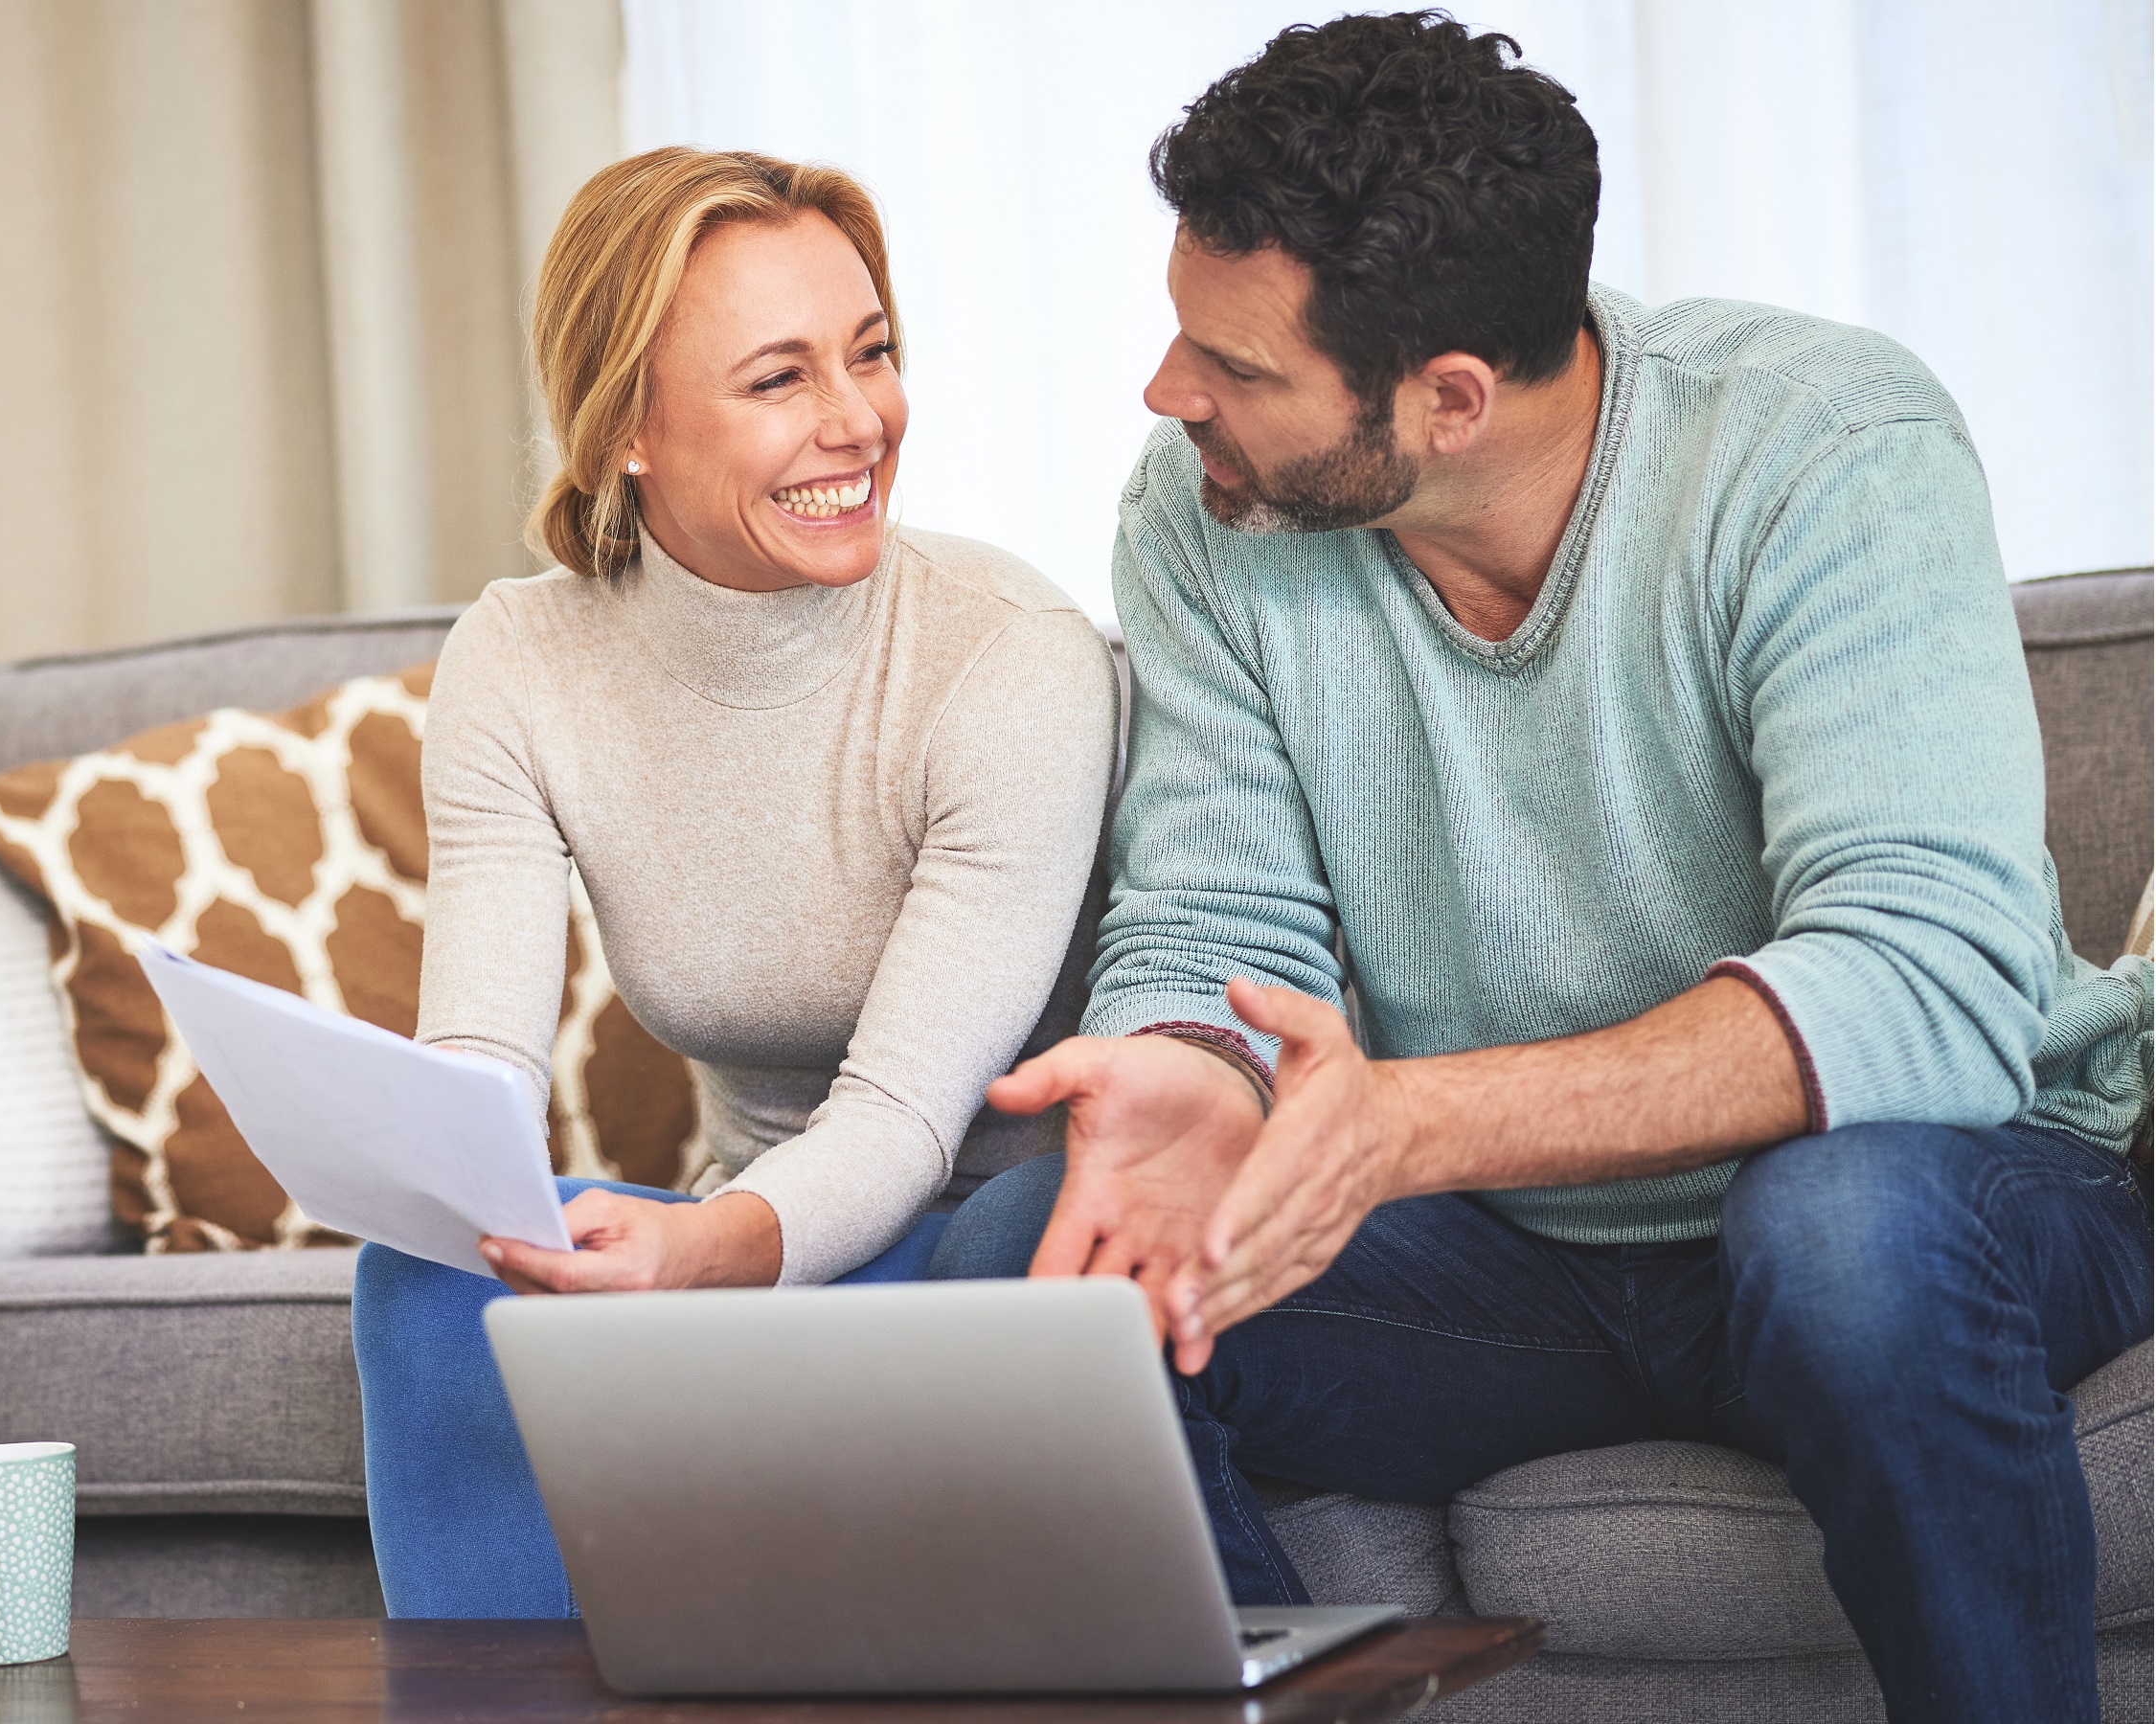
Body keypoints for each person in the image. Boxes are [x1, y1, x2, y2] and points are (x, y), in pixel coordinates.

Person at [925, 15, 2151, 1722]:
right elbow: (1213, 915)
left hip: (1952, 1193)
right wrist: (1194, 1070)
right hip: (1519, 1268)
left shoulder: (1821, 448)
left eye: (1238, 366)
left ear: (1448, 398)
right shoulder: (1205, 508)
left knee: (1839, 1223)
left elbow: (1925, 990)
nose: (1167, 391)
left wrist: (1417, 1124)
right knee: (1023, 1269)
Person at [352, 147, 1119, 1619]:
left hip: (985, 1240)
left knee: (923, 1288)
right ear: (629, 424)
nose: (859, 422)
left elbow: (902, 1122)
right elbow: (482, 1061)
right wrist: (454, 1181)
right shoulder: (521, 660)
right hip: (738, 1218)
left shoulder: (1007, 653)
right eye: (780, 380)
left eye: (873, 353)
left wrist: (708, 1253)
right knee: (424, 1278)